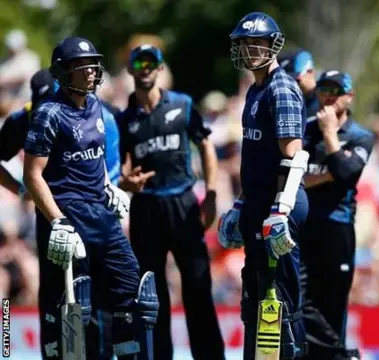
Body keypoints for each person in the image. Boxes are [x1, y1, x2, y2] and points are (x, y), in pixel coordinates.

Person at [23, 36, 157, 360]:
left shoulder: (96, 105)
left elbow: (94, 159)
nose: (91, 72)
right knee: (77, 308)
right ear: (63, 72)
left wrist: (111, 188)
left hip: (102, 215)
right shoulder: (49, 114)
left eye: (92, 65)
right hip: (71, 214)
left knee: (135, 297)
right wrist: (58, 222)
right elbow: (32, 175)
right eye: (82, 67)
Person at [0, 67, 120, 360]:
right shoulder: (24, 118)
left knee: (92, 290)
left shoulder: (99, 114)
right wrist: (21, 190)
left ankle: (98, 354)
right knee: (54, 294)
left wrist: (103, 198)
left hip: (93, 214)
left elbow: (111, 168)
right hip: (50, 218)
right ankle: (53, 354)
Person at [115, 44, 225, 360]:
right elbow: (117, 170)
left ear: (160, 68)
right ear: (132, 69)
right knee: (151, 293)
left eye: (152, 62)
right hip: (146, 209)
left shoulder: (183, 105)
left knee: (197, 287)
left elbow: (205, 147)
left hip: (184, 204)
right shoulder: (124, 120)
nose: (146, 68)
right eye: (139, 62)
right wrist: (125, 184)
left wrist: (212, 194)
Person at [218, 12, 309, 359]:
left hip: (280, 206)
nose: (251, 49)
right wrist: (241, 205)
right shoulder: (254, 91)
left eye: (258, 42)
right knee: (255, 299)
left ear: (273, 45)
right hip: (258, 204)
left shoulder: (280, 88)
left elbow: (293, 158)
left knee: (281, 302)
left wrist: (280, 211)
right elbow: (256, 162)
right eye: (245, 42)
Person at [301, 70, 373, 360]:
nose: (329, 96)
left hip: (337, 226)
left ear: (349, 96)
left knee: (333, 304)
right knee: (298, 300)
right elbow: (285, 176)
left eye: (336, 91)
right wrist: (327, 173)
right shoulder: (304, 130)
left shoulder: (360, 136)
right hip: (304, 224)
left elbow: (344, 175)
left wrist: (330, 134)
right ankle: (343, 356)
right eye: (323, 90)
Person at [278, 49, 320, 117]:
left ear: (310, 71)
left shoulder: (328, 100)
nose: (291, 85)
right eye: (284, 83)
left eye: (296, 80)